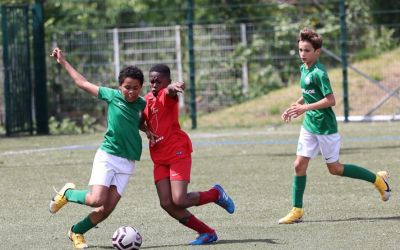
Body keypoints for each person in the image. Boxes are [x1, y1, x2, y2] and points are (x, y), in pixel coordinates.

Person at [279, 28, 391, 224]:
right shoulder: (304, 68)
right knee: (299, 165)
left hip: (325, 128)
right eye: (300, 50)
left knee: (335, 169)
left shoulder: (320, 73)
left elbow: (330, 100)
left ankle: (377, 180)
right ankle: (297, 210)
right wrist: (297, 106)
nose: (302, 54)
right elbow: (309, 93)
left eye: (306, 50)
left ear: (317, 52)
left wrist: (304, 107)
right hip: (309, 126)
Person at [49, 47, 146, 249]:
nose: (131, 91)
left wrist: (148, 131)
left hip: (128, 162)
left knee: (107, 209)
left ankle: (76, 231)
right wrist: (63, 61)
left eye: (136, 87)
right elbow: (81, 83)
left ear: (141, 88)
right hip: (108, 156)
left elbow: (137, 122)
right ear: (120, 86)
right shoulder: (112, 96)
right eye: (127, 87)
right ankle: (67, 194)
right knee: (96, 200)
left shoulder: (141, 104)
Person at [141, 64, 235, 245]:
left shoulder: (166, 95)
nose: (154, 85)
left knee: (180, 199)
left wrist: (174, 88)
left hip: (177, 151)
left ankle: (215, 194)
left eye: (159, 82)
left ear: (167, 81)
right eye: (152, 81)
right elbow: (141, 120)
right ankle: (207, 233)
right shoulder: (146, 100)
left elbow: (169, 92)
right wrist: (146, 130)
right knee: (167, 203)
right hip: (159, 156)